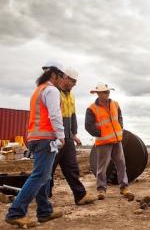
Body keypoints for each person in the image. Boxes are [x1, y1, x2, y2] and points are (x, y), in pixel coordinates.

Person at [5, 64, 65, 228]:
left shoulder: (39, 90)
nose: (63, 81)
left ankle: (45, 211)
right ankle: (15, 213)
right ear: (54, 75)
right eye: (62, 77)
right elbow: (54, 114)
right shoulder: (51, 90)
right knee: (40, 175)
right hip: (45, 138)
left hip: (36, 138)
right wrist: (61, 135)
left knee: (45, 175)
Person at [49, 67, 97, 205]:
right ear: (65, 78)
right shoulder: (54, 92)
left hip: (68, 138)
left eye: (75, 82)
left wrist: (74, 134)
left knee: (71, 167)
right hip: (55, 137)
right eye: (73, 81)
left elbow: (72, 115)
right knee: (48, 168)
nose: (74, 85)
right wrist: (58, 135)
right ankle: (45, 196)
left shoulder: (71, 96)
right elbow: (54, 116)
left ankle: (80, 195)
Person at [85, 82, 134, 201]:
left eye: (108, 91)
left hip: (117, 141)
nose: (107, 93)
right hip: (103, 142)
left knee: (121, 164)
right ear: (98, 94)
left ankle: (124, 187)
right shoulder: (92, 108)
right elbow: (88, 126)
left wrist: (120, 127)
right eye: (104, 92)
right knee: (102, 167)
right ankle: (101, 189)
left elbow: (120, 117)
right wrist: (101, 133)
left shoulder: (115, 104)